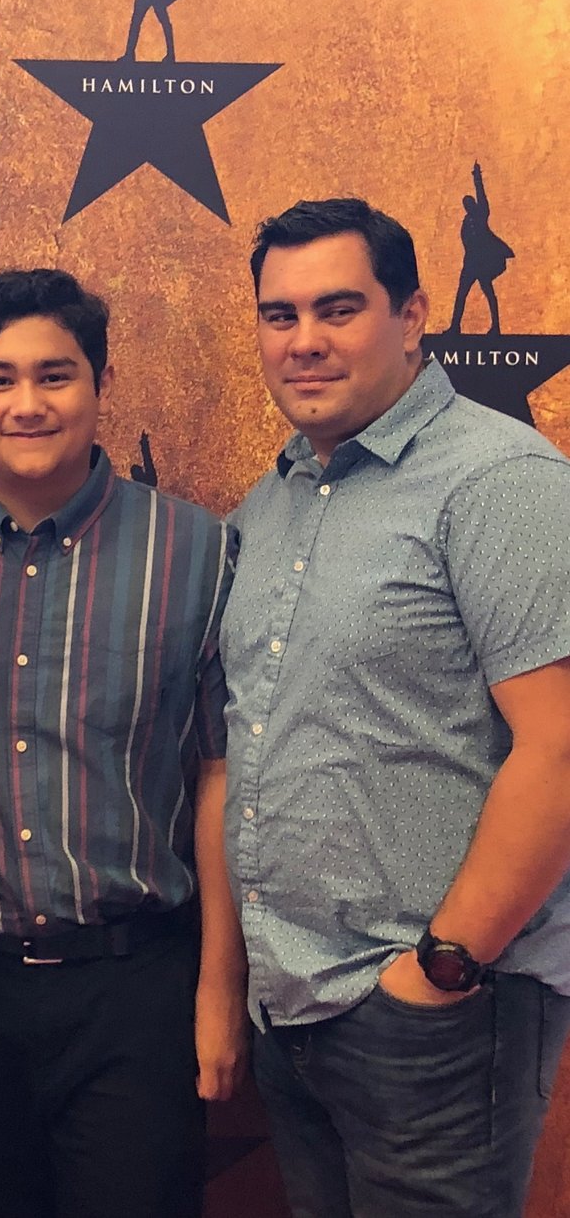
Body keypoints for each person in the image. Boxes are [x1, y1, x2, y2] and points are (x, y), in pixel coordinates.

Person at [222, 197, 570, 1217]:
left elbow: (559, 747)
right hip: (296, 1006)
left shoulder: (499, 478)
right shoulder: (276, 498)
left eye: (338, 308)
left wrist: (442, 969)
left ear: (412, 315)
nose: (304, 340)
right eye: (279, 315)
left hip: (436, 1015)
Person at [0, 268, 244, 1218]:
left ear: (101, 382)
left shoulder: (198, 550)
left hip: (135, 988)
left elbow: (220, 772)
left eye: (55, 374)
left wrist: (220, 988)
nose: (27, 403)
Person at [448, 160, 514, 334]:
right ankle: (455, 326)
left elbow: (481, 193)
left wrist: (477, 176)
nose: (467, 206)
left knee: (488, 293)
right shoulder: (466, 222)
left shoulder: (481, 213)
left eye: (469, 203)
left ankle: (496, 326)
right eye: (465, 204)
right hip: (471, 263)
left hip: (483, 262)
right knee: (462, 294)